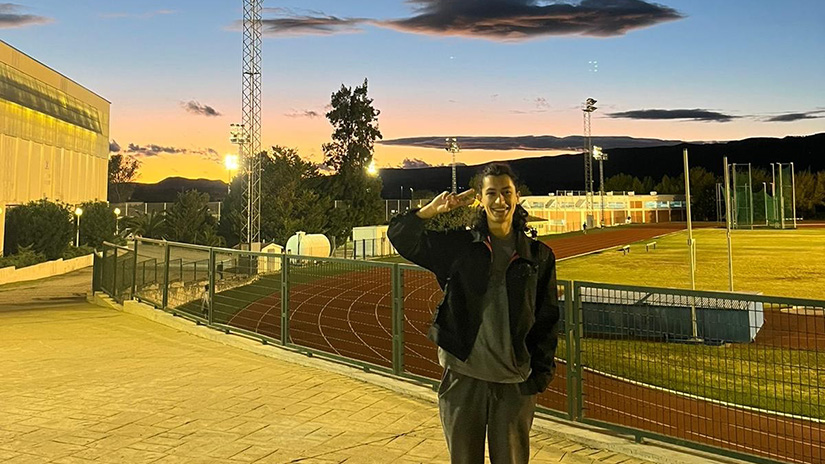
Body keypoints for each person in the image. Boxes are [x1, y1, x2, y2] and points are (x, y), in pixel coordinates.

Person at [388, 163, 560, 464]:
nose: (499, 201)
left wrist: (538, 377)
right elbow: (404, 239)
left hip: (513, 383)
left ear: (517, 196)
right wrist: (431, 210)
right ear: (480, 198)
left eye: (506, 192)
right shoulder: (461, 247)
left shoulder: (538, 256)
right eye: (491, 193)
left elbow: (547, 318)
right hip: (463, 378)